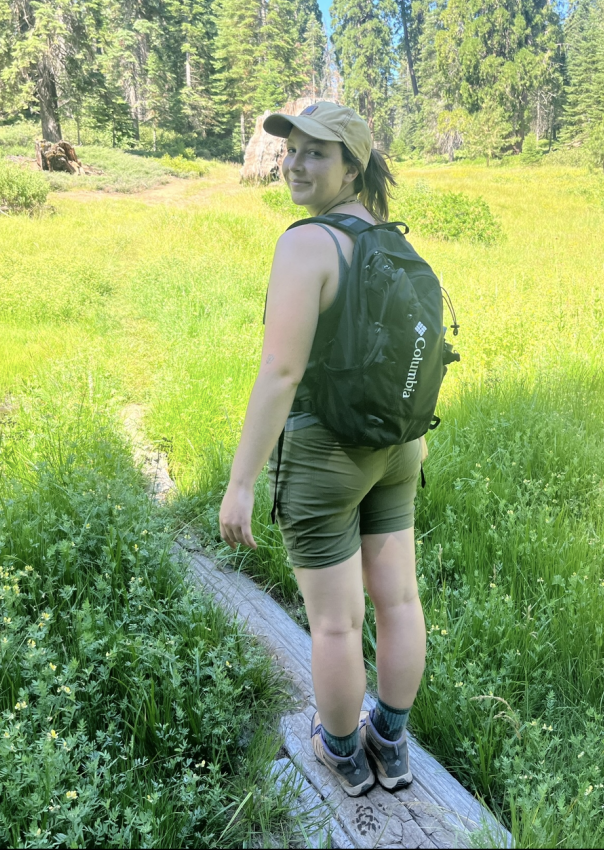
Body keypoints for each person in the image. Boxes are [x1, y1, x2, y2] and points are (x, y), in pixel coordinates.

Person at [219, 102, 427, 797]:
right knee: (397, 601)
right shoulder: (393, 240)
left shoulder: (308, 245)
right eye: (292, 150)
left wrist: (241, 481)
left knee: (336, 623)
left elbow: (281, 371)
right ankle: (390, 746)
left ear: (351, 165)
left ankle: (340, 752)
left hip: (326, 453)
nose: (297, 165)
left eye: (316, 153)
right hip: (397, 447)